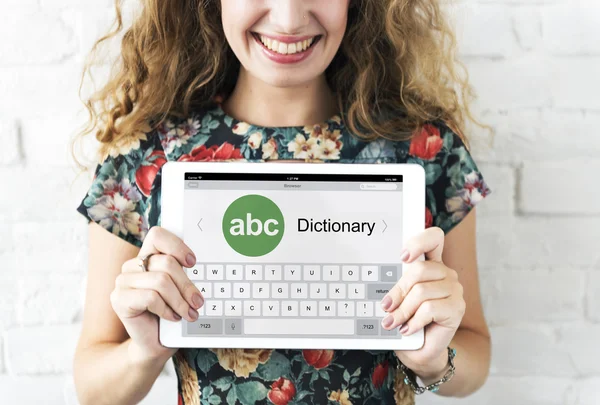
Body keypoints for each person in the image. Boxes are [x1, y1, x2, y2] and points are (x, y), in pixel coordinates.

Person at [71, 1, 493, 404]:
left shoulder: (428, 150)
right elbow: (93, 389)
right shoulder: (146, 155)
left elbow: (476, 356)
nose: (289, 19)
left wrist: (433, 359)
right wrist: (145, 350)